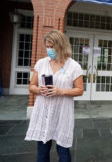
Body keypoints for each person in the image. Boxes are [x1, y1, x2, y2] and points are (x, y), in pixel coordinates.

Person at [25, 30, 84, 162]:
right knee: (42, 151)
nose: (49, 50)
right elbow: (31, 86)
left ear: (61, 46)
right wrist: (40, 90)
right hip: (43, 112)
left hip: (62, 113)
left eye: (52, 47)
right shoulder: (41, 63)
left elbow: (80, 90)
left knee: (63, 152)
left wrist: (60, 91)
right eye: (47, 46)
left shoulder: (74, 66)